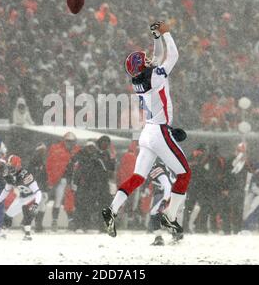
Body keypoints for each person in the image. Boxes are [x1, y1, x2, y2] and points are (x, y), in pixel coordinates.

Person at [102, 21, 191, 240]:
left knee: (138, 177)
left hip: (148, 132)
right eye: (146, 59)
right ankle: (170, 216)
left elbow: (157, 56)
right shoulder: (155, 76)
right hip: (158, 131)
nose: (150, 58)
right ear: (143, 65)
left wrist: (156, 37)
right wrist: (167, 32)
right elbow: (173, 56)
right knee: (184, 174)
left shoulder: (138, 78)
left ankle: (112, 210)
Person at [0, 155, 42, 240]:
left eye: (12, 166)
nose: (10, 169)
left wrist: (36, 203)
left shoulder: (25, 175)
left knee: (27, 212)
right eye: (9, 166)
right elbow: (6, 190)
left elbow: (38, 192)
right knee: (8, 215)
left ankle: (27, 235)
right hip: (21, 197)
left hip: (32, 196)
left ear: (18, 165)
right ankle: (3, 235)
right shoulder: (10, 176)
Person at [46, 132, 80, 231]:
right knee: (58, 200)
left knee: (70, 201)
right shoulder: (57, 149)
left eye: (72, 141)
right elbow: (51, 165)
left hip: (72, 179)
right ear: (64, 141)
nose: (70, 143)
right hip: (60, 179)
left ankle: (71, 222)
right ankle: (54, 221)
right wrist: (51, 179)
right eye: (68, 141)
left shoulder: (77, 150)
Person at [147, 159, 175, 245]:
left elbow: (167, 186)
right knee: (169, 214)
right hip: (177, 191)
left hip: (171, 192)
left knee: (154, 213)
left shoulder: (154, 168)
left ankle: (159, 238)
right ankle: (177, 234)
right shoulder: (161, 165)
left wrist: (164, 201)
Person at [27, 142, 48, 232]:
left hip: (40, 186)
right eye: (41, 150)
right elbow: (33, 175)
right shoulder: (34, 160)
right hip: (37, 186)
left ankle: (37, 224)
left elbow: (44, 175)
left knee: (41, 205)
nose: (43, 152)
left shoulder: (41, 161)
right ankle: (34, 224)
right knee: (38, 205)